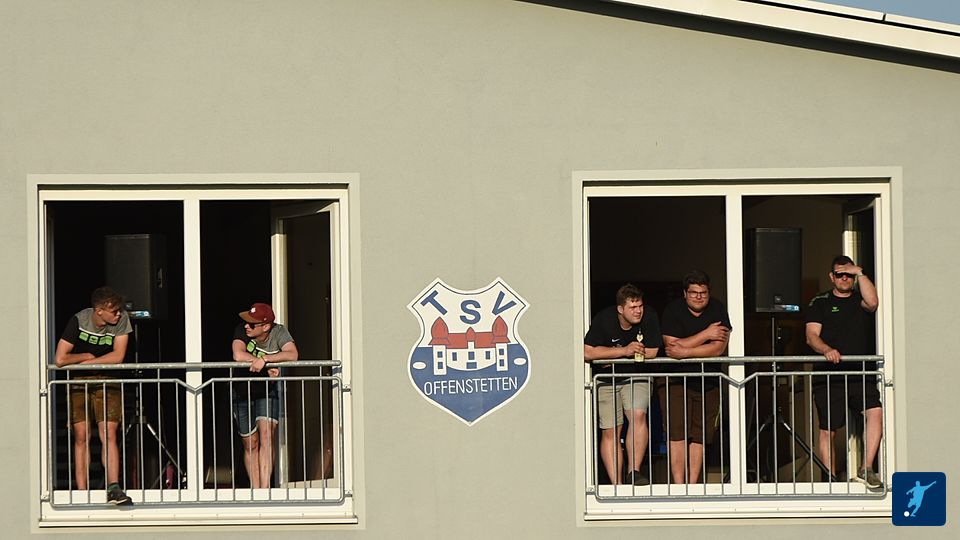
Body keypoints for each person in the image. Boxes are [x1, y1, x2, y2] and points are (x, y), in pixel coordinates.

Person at [805, 255, 882, 490]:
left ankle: (866, 468)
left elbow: (873, 303)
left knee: (875, 412)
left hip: (859, 373)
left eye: (849, 274)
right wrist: (827, 350)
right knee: (828, 429)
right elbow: (811, 336)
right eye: (840, 274)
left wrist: (860, 272)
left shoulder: (860, 299)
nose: (845, 278)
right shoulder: (820, 302)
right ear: (832, 277)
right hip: (829, 375)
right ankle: (829, 479)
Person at [54, 286, 133, 505]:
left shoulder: (122, 320)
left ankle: (114, 487)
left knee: (109, 432)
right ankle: (82, 491)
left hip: (108, 378)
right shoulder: (79, 320)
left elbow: (118, 356)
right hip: (79, 381)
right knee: (81, 435)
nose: (118, 314)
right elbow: (60, 359)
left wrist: (86, 362)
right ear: (99, 311)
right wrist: (86, 356)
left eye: (119, 310)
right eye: (114, 311)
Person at [584, 284, 662, 486]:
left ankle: (634, 472)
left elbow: (652, 351)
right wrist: (624, 351)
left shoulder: (650, 316)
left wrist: (609, 354)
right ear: (620, 309)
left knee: (638, 415)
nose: (638, 311)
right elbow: (588, 352)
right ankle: (616, 485)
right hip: (606, 379)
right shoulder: (604, 318)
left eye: (640, 306)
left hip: (637, 375)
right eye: (633, 307)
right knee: (611, 430)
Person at [659, 270, 731, 484]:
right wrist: (706, 334)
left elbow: (718, 349)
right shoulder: (673, 310)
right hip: (675, 380)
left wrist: (686, 351)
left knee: (701, 435)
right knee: (677, 433)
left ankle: (693, 485)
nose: (699, 297)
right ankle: (679, 486)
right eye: (693, 293)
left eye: (703, 292)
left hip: (708, 381)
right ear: (685, 293)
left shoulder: (718, 308)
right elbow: (671, 347)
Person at [232, 302, 298, 488]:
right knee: (250, 443)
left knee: (267, 436)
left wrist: (266, 360)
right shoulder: (241, 330)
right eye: (246, 322)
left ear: (266, 326)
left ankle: (265, 490)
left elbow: (292, 354)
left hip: (267, 391)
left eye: (252, 324)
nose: (247, 326)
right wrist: (264, 366)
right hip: (242, 390)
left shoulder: (279, 331)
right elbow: (238, 355)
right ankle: (256, 492)